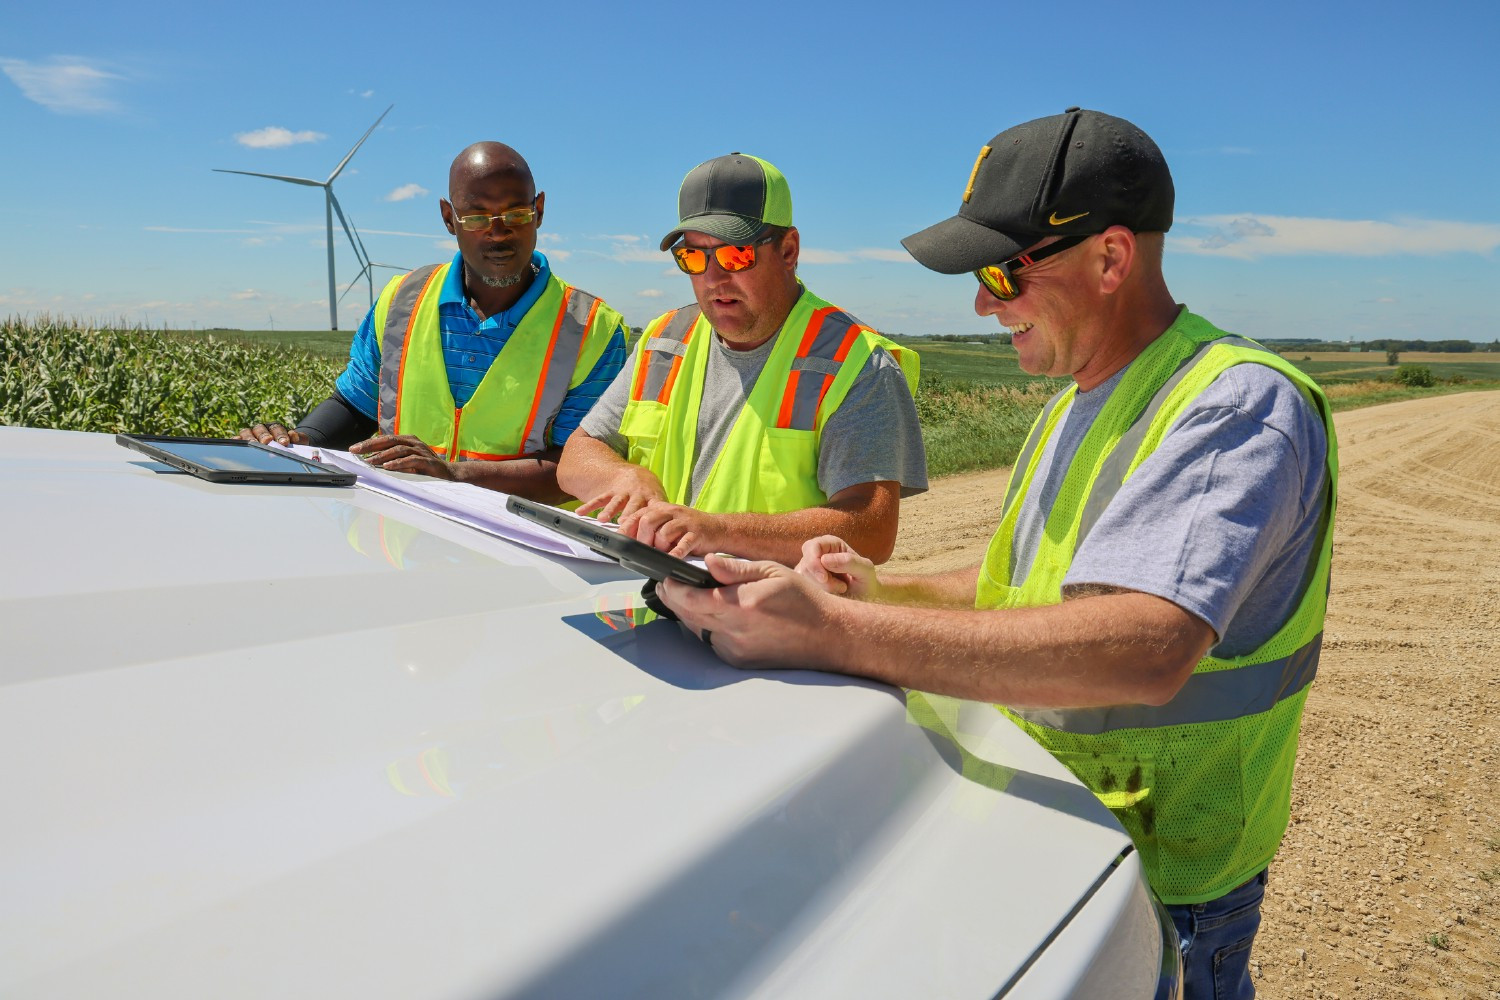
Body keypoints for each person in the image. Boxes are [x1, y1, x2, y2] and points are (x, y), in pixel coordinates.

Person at [654, 109, 1338, 1000]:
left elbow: (1146, 643)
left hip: (1166, 878)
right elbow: (1016, 586)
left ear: (1112, 257)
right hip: (1063, 831)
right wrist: (876, 596)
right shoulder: (1078, 396)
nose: (982, 304)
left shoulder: (1234, 409)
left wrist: (833, 636)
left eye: (1001, 271)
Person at [556, 152, 927, 565]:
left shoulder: (857, 363)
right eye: (694, 257)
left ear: (789, 250)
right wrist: (625, 476)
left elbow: (871, 531)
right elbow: (576, 455)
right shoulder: (663, 341)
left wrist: (718, 532)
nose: (714, 278)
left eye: (735, 255)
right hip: (651, 605)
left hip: (777, 620)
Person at [239, 142, 627, 502]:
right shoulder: (400, 301)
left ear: (539, 210)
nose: (498, 232)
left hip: (529, 552)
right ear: (448, 217)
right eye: (477, 217)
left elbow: (577, 467)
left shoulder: (592, 328)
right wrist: (295, 442)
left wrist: (453, 475)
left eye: (516, 214)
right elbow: (356, 407)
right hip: (407, 535)